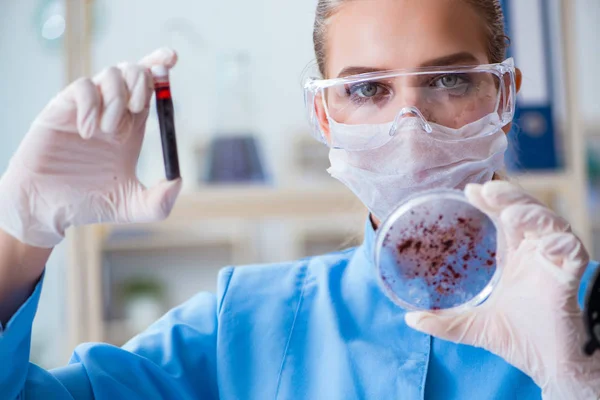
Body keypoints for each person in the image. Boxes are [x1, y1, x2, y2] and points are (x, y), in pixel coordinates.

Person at [0, 0, 599, 398]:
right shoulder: (243, 324)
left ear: (505, 95)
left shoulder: (582, 313)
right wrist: (18, 240)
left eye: (450, 79)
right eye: (367, 89)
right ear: (323, 113)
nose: (411, 124)